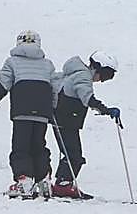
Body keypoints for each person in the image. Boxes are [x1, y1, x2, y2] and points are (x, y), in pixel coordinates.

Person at [0, 29, 58, 200]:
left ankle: (25, 180)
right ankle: (44, 181)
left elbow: (2, 87)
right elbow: (54, 89)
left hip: (22, 111)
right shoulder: (47, 64)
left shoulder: (12, 62)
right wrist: (52, 109)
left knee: (21, 147)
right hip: (42, 112)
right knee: (39, 145)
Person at [51, 52, 121, 199]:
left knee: (72, 153)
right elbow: (87, 98)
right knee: (74, 155)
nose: (102, 80)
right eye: (105, 75)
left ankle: (63, 184)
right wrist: (106, 110)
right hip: (65, 121)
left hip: (63, 120)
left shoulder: (76, 74)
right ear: (97, 68)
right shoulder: (83, 77)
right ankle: (62, 186)